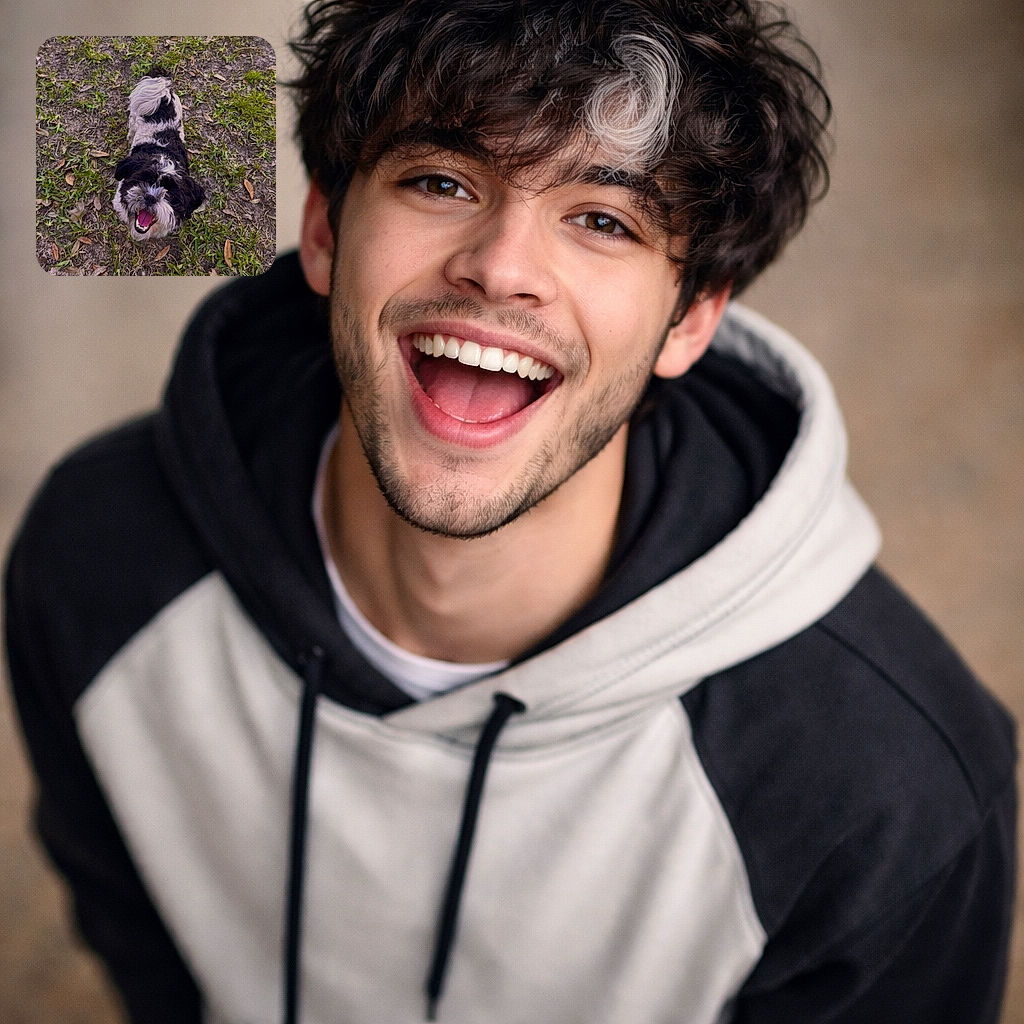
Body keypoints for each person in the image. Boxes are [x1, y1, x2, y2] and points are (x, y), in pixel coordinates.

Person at [5, 1, 1016, 1021]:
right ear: (322, 231)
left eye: (602, 220)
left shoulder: (889, 787)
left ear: (692, 316)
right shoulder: (96, 550)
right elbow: (138, 940)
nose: (501, 267)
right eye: (441, 182)